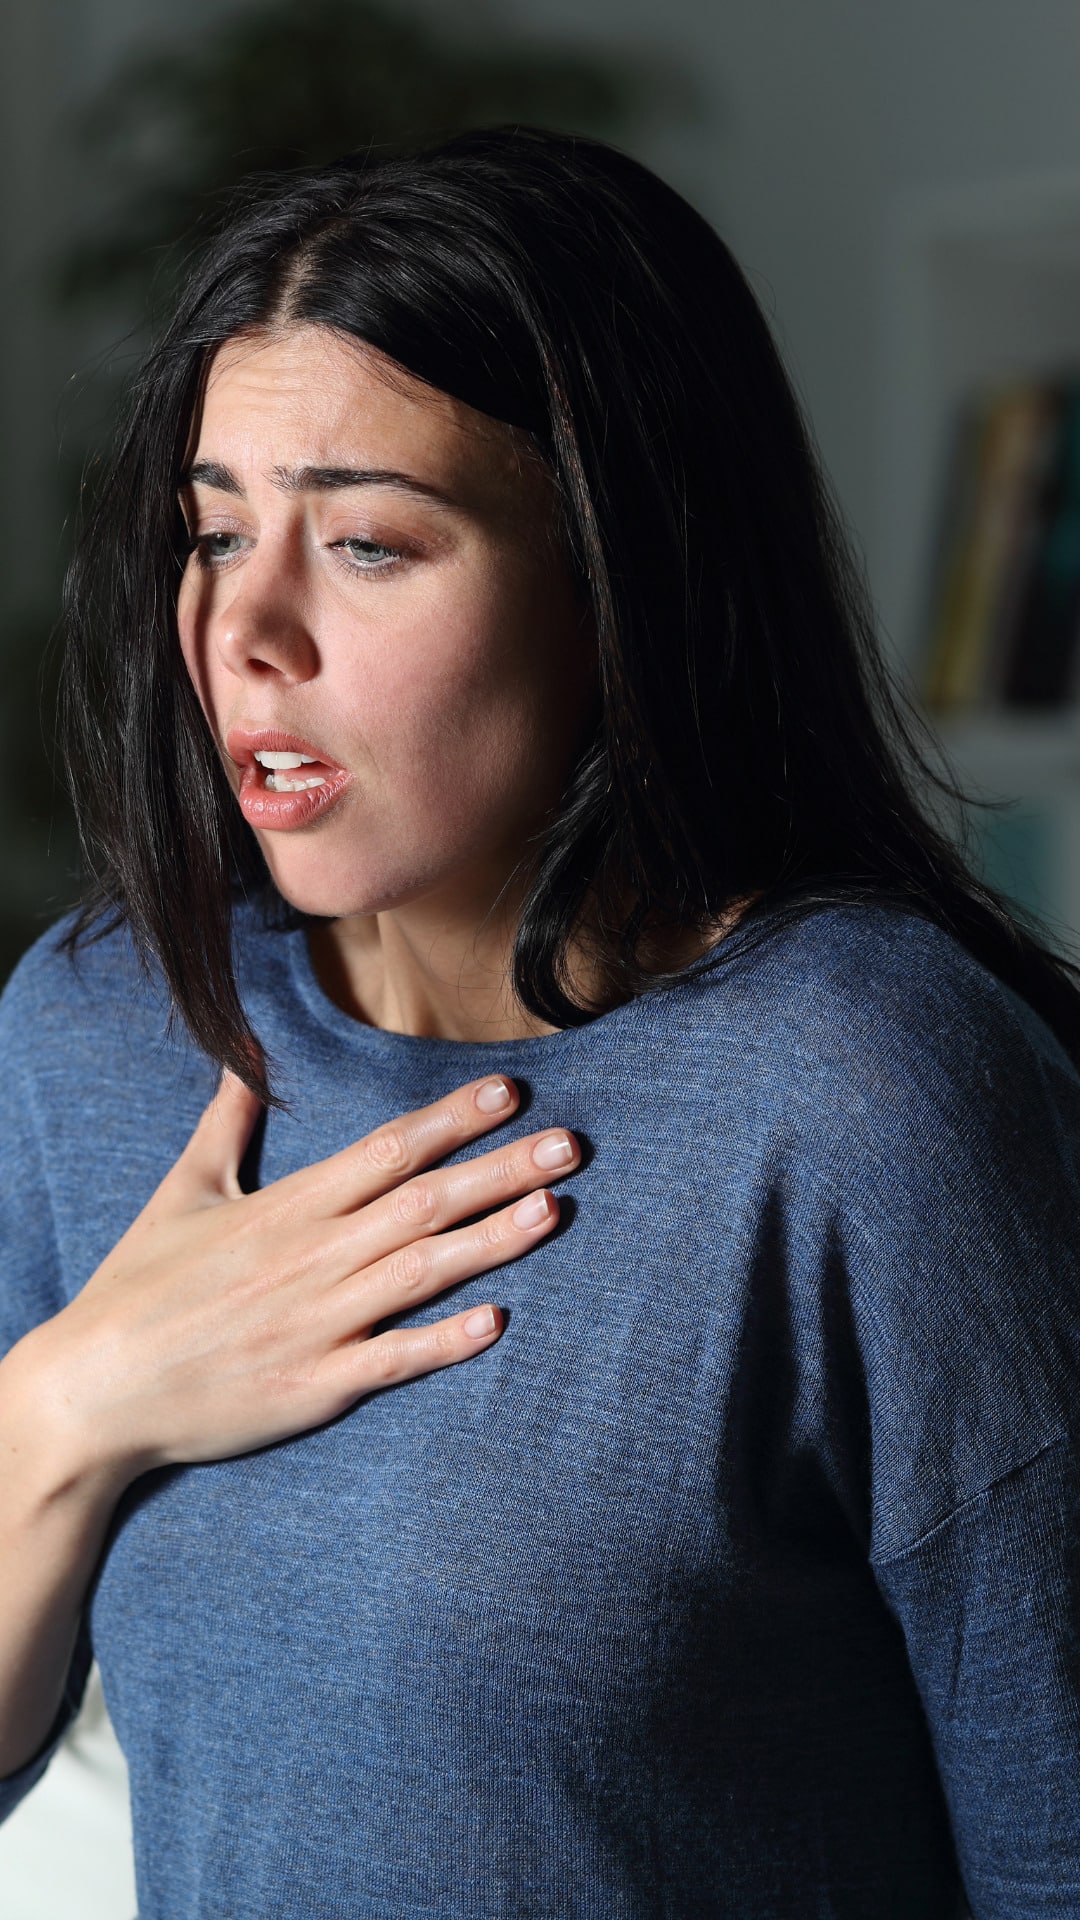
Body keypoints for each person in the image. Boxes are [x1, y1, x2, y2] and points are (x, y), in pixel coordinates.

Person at [0, 124, 1077, 1920]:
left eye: (363, 542)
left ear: (618, 576)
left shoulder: (868, 1099)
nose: (245, 628)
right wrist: (69, 1408)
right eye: (209, 532)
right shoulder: (103, 1027)